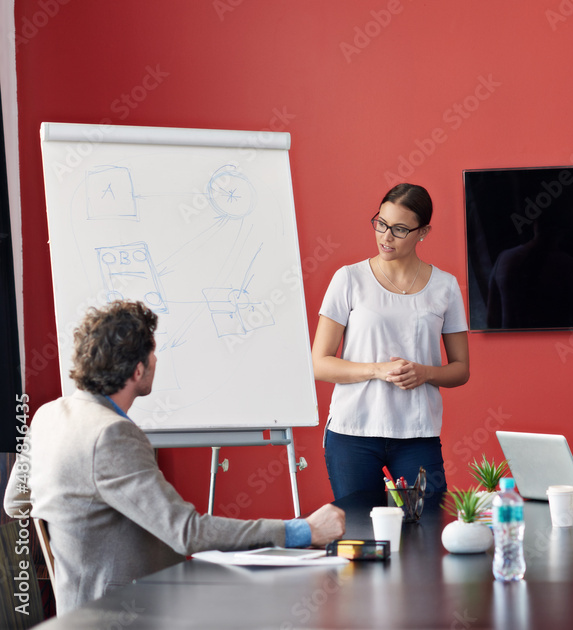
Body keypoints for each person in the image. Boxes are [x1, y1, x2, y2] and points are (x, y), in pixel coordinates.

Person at [2, 301, 346, 613]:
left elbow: (15, 503)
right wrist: (302, 530)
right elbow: (187, 532)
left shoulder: (47, 415)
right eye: (153, 352)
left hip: (77, 607)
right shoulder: (111, 435)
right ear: (138, 370)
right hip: (129, 608)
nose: (156, 360)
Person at [312, 183, 470, 499]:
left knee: (426, 533)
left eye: (399, 229)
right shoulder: (349, 279)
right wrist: (378, 370)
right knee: (360, 536)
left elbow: (461, 369)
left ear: (422, 232)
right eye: (381, 224)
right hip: (352, 433)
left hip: (417, 434)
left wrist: (425, 373)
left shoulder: (445, 287)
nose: (385, 237)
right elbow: (320, 364)